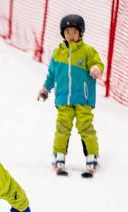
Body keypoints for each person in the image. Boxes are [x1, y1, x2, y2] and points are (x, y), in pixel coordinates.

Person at [37, 14, 104, 176]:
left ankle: (92, 157)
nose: (71, 35)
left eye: (74, 32)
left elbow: (98, 63)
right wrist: (45, 89)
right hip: (63, 99)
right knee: (62, 128)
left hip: (83, 98)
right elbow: (52, 75)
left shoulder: (88, 51)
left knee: (85, 127)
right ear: (63, 34)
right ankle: (59, 157)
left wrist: (96, 69)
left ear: (81, 33)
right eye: (67, 32)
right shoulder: (58, 53)